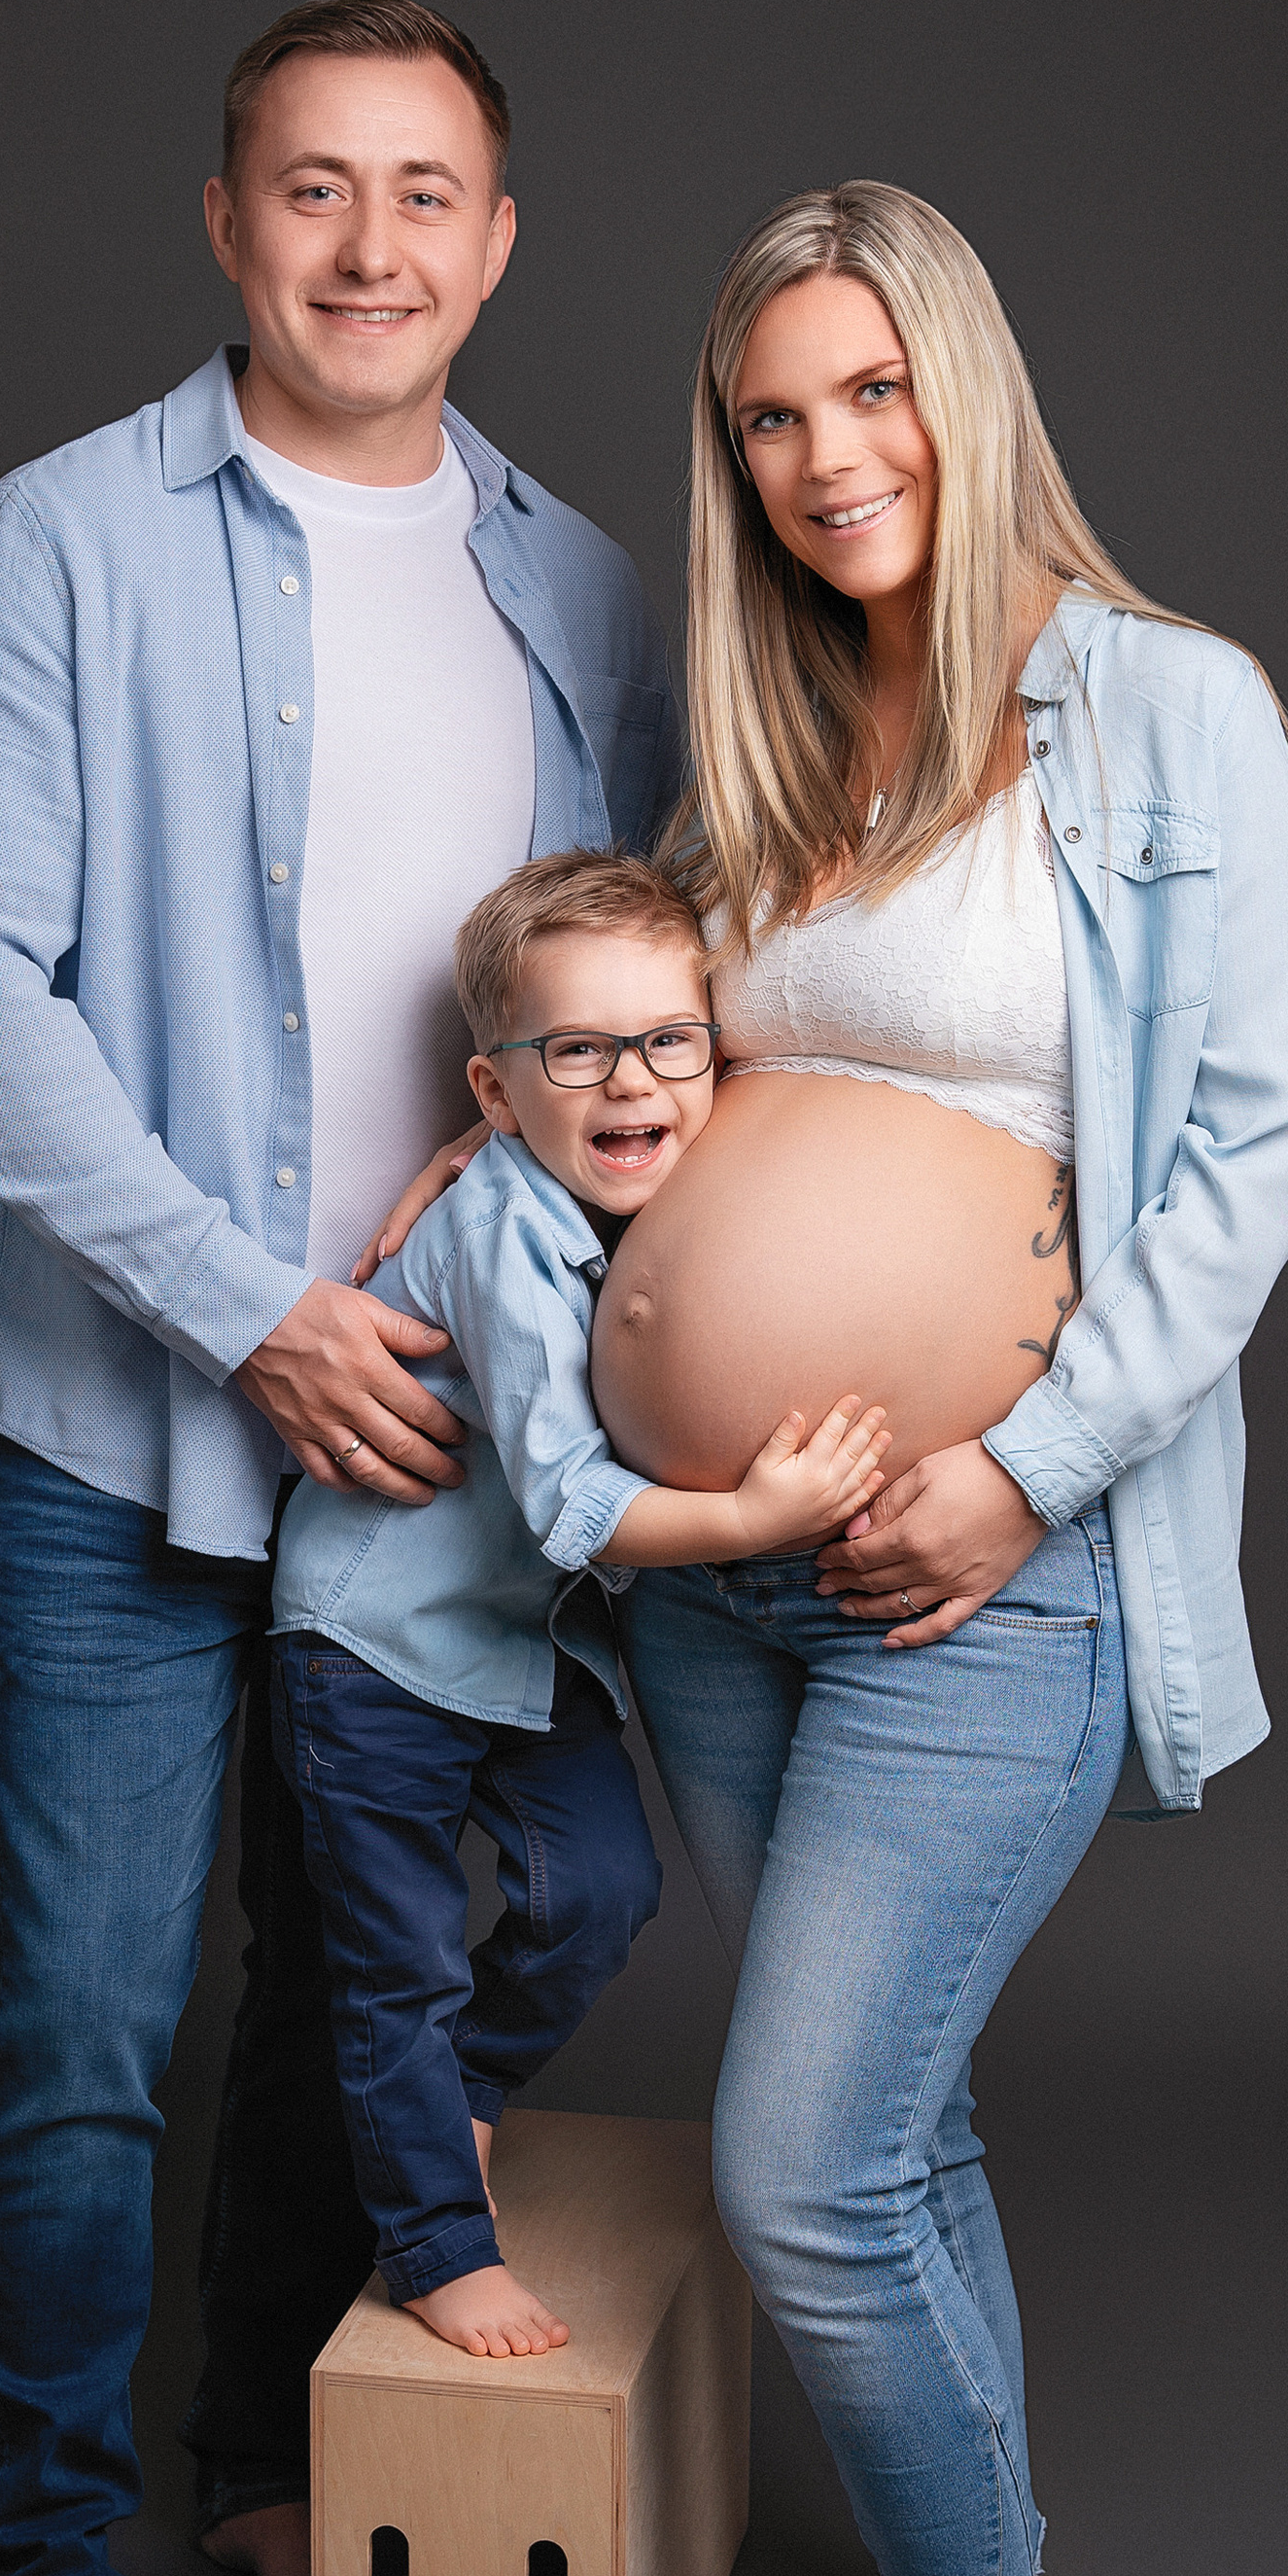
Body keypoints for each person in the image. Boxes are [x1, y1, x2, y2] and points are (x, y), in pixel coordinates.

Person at [0, 0, 677, 2576]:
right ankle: (51, 2574)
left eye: (425, 192)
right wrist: (250, 1312)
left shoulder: (585, 591)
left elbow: (635, 1007)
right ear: (226, 224)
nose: (370, 246)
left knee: (388, 1968)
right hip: (126, 1431)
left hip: (442, 1469)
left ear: (497, 240)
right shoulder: (58, 541)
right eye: (313, 188)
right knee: (85, 2024)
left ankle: (255, 2465)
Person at [592, 182, 1288, 2576]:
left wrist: (1021, 1468)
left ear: (965, 387)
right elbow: (652, 1085)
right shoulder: (771, 744)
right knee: (895, 2137)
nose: (824, 458)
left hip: (987, 1572)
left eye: (868, 391)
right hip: (725, 1582)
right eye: (770, 418)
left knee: (803, 2162)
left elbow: (1255, 1151)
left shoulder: (1167, 710)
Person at [270, 852, 890, 2357]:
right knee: (397, 1961)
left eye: (671, 1042)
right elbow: (564, 1499)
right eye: (580, 1052)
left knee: (601, 1889)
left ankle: (464, 2093)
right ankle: (434, 2243)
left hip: (522, 1641)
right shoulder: (505, 1232)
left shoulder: (647, 1207)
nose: (633, 1082)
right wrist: (752, 1521)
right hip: (375, 1645)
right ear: (496, 1094)